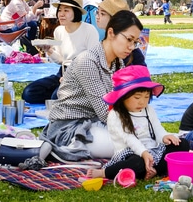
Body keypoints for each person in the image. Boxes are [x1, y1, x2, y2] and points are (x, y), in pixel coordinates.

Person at [42, 10, 144, 161]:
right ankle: (66, 148)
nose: (131, 46)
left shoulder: (118, 63)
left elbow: (122, 103)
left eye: (135, 42)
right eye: (129, 39)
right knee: (126, 145)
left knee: (140, 138)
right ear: (111, 33)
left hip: (97, 123)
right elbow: (105, 112)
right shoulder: (87, 61)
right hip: (70, 128)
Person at [85, 65, 190, 181]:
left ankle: (151, 170)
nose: (142, 102)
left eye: (146, 97)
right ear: (123, 96)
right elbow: (129, 138)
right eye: (137, 97)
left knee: (182, 144)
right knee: (137, 163)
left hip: (152, 150)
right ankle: (104, 172)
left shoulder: (148, 110)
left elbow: (157, 128)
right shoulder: (115, 114)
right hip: (130, 153)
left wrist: (164, 137)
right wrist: (144, 153)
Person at [23, 0, 100, 103]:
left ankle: (63, 96)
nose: (61, 14)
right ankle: (62, 97)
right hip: (63, 72)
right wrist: (48, 50)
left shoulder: (89, 30)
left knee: (56, 96)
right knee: (28, 93)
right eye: (60, 10)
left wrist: (72, 78)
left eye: (66, 11)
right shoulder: (59, 30)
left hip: (81, 76)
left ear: (76, 12)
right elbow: (60, 60)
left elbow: (93, 63)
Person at [98, 0, 146, 66]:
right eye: (97, 12)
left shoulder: (129, 53)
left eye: (102, 14)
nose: (97, 17)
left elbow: (142, 73)